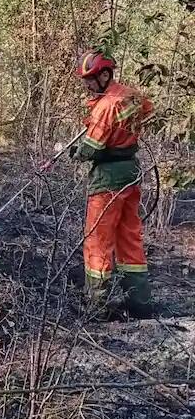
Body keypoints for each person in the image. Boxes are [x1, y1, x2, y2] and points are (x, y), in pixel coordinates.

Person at [68, 50, 154, 319]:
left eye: (91, 80)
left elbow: (91, 149)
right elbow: (148, 111)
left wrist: (76, 152)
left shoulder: (106, 106)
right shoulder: (131, 95)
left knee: (97, 241)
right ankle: (139, 303)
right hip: (131, 172)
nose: (87, 85)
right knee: (129, 237)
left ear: (105, 75)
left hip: (107, 179)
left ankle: (97, 306)